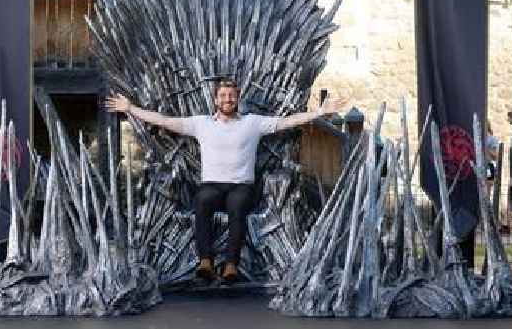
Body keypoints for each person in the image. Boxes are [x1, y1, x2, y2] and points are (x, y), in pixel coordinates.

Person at [105, 79, 344, 282]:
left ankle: (231, 265)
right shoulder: (201, 124)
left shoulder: (252, 123)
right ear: (216, 100)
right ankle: (205, 262)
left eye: (231, 95)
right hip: (212, 185)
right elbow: (164, 121)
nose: (228, 99)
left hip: (241, 186)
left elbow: (286, 122)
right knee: (202, 201)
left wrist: (319, 112)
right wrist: (130, 108)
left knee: (237, 206)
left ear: (237, 98)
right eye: (223, 95)